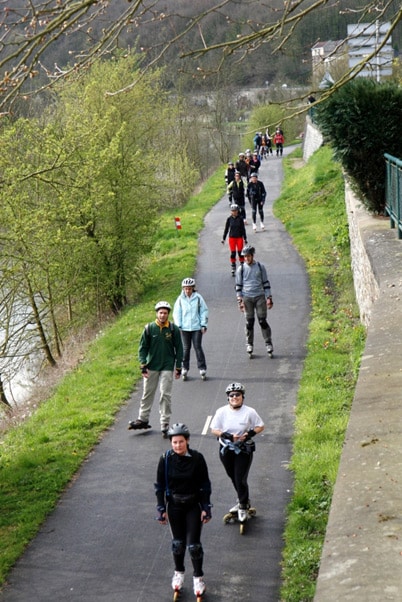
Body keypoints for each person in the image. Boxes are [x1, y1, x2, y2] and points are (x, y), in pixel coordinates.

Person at [155, 423, 212, 598]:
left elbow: (204, 484)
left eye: (181, 442)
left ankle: (198, 578)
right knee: (177, 544)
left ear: (187, 441)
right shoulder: (165, 459)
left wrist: (206, 507)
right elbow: (159, 486)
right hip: (174, 506)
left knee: (194, 546)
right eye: (174, 442)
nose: (177, 445)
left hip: (193, 505)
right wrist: (160, 508)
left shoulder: (197, 458)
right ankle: (178, 573)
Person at [210, 383, 264, 522]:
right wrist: (226, 435)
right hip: (226, 449)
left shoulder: (249, 411)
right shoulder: (221, 412)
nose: (234, 397)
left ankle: (243, 504)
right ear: (228, 398)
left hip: (243, 449)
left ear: (242, 397)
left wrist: (249, 434)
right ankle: (243, 498)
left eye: (237, 395)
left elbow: (260, 426)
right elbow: (213, 429)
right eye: (231, 395)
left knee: (240, 477)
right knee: (232, 476)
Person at [128, 301, 183, 437]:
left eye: (165, 313)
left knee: (165, 394)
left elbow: (179, 348)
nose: (163, 315)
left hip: (167, 366)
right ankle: (143, 419)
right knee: (148, 392)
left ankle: (165, 422)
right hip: (152, 365)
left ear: (168, 314)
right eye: (160, 312)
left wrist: (179, 366)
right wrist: (143, 365)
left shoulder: (173, 329)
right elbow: (143, 348)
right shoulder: (149, 328)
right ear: (157, 313)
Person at [235, 245, 274, 355]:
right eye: (244, 257)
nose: (246, 259)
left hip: (259, 296)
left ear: (252, 256)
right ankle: (249, 344)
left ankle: (268, 343)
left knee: (262, 321)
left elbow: (266, 283)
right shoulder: (241, 269)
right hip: (247, 298)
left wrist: (269, 298)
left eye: (248, 256)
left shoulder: (260, 267)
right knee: (249, 322)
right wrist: (240, 301)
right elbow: (238, 286)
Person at [173, 278, 208, 381]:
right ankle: (185, 367)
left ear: (193, 288)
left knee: (197, 347)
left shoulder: (198, 298)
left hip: (196, 327)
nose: (187, 291)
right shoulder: (180, 299)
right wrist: (178, 325)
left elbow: (204, 311)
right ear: (183, 289)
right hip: (185, 328)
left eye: (189, 289)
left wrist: (203, 325)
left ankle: (202, 368)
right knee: (186, 348)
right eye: (186, 289)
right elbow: (177, 313)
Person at [221, 204, 248, 277]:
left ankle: (242, 266)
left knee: (240, 253)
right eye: (232, 211)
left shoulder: (240, 218)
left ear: (237, 211)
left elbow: (243, 229)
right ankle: (233, 266)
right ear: (231, 212)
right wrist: (223, 238)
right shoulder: (229, 219)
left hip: (239, 237)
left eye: (235, 211)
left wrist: (245, 238)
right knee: (233, 253)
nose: (234, 212)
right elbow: (226, 229)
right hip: (232, 238)